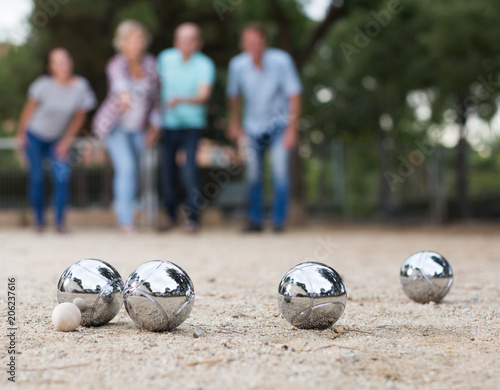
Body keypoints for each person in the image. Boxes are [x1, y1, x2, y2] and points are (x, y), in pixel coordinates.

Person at [227, 22, 302, 233]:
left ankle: (279, 221)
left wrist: (292, 129)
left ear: (265, 43)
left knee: (279, 171)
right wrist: (234, 123)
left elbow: (294, 95)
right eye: (250, 42)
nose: (254, 46)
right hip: (252, 125)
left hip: (280, 124)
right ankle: (255, 220)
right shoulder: (237, 65)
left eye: (258, 42)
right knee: (253, 174)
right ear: (243, 44)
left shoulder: (281, 61)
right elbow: (233, 96)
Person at [17, 47, 96, 233]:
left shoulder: (81, 87)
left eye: (66, 60)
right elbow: (28, 111)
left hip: (58, 140)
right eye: (58, 61)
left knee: (62, 178)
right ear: (51, 67)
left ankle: (60, 223)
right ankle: (39, 222)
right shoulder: (42, 85)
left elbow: (80, 116)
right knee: (37, 177)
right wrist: (21, 134)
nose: (64, 64)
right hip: (35, 136)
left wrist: (66, 141)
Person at [93, 20, 160, 234]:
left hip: (139, 128)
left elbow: (157, 99)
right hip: (115, 127)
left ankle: (129, 209)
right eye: (131, 40)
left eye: (139, 39)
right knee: (127, 168)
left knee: (141, 170)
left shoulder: (150, 64)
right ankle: (126, 220)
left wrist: (155, 127)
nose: (136, 44)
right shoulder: (116, 64)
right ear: (122, 43)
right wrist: (124, 96)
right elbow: (120, 85)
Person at [157, 22, 215, 233]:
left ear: (198, 43)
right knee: (167, 172)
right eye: (181, 39)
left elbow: (204, 95)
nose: (185, 44)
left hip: (192, 124)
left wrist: (180, 100)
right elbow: (156, 87)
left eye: (190, 40)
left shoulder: (205, 64)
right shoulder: (164, 59)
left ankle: (193, 218)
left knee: (189, 170)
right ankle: (170, 216)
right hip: (169, 124)